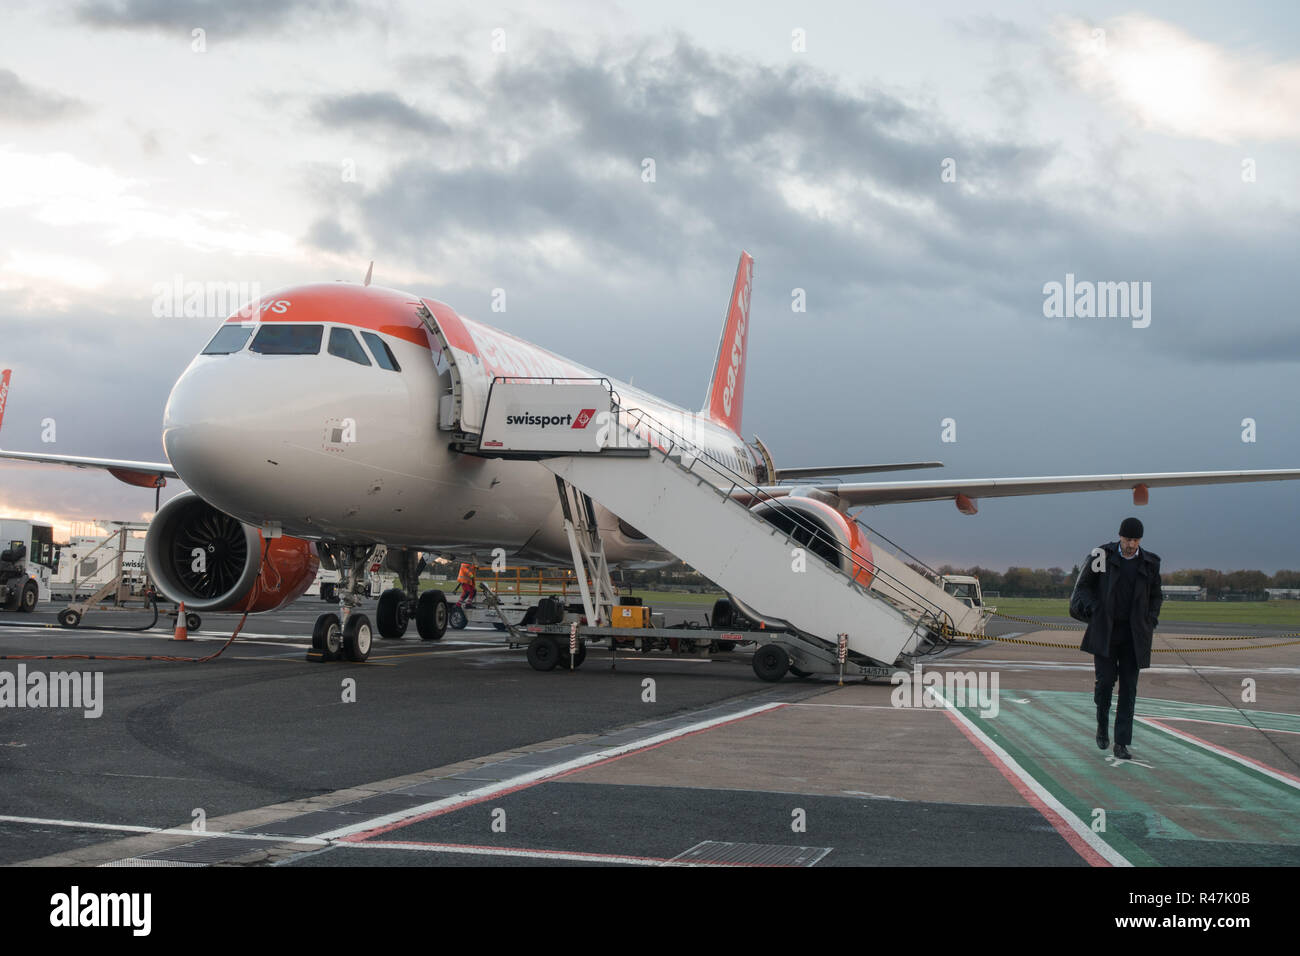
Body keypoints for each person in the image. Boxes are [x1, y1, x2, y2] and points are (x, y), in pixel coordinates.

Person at [1069, 517, 1162, 760]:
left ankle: (1121, 743)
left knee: (1129, 689)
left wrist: (1150, 619)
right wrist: (1095, 609)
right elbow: (1084, 588)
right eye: (1127, 539)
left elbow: (1156, 596)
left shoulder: (1151, 563)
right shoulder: (1102, 555)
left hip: (1134, 635)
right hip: (1106, 632)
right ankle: (1102, 725)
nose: (1131, 544)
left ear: (1140, 540)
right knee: (1105, 683)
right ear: (1119, 536)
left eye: (1135, 540)